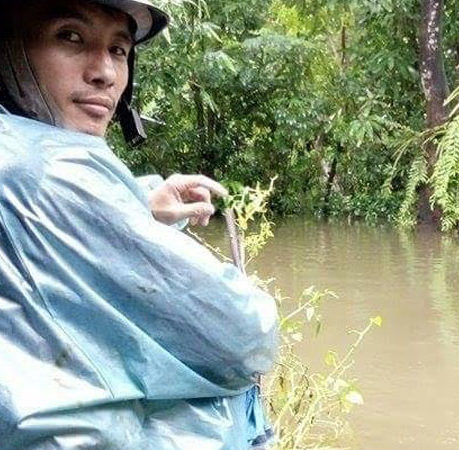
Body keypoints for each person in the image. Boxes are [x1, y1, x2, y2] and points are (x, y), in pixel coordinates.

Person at [0, 1, 277, 448]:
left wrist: (137, 209)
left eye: (119, 50)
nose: (104, 73)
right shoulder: (54, 168)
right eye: (70, 36)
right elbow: (242, 337)